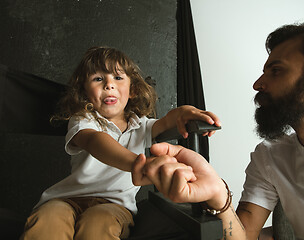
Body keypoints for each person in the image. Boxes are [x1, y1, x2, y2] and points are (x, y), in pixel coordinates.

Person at [132, 20, 304, 240]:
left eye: (276, 71)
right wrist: (218, 194)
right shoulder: (271, 157)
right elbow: (244, 236)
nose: (258, 84)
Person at [20, 46, 221, 240]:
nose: (109, 85)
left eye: (117, 78)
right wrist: (138, 164)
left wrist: (184, 111)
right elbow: (94, 141)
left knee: (98, 225)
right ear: (84, 91)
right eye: (98, 79)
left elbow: (168, 121)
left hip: (115, 205)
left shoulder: (142, 125)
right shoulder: (83, 119)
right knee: (49, 219)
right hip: (67, 198)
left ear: (132, 89)